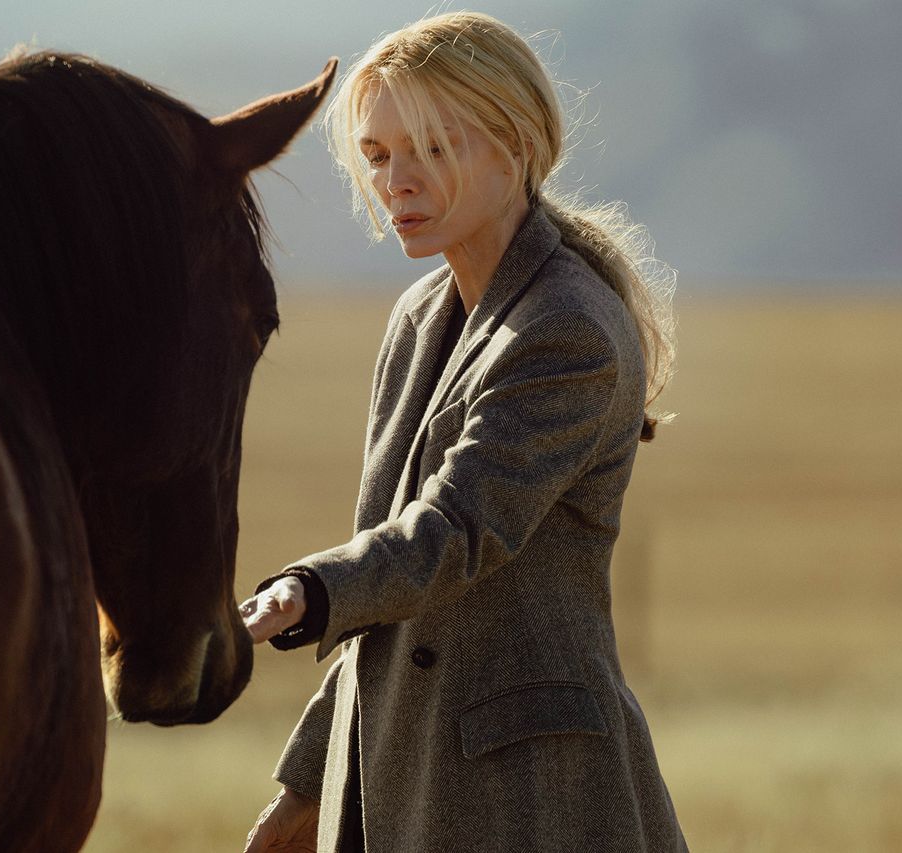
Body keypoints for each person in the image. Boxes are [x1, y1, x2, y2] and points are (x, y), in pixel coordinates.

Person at [241, 11, 686, 852]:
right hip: (396, 781)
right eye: (377, 155)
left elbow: (452, 530)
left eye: (434, 148)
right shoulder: (418, 316)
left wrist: (309, 589)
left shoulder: (568, 329)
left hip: (535, 797)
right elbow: (389, 576)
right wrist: (307, 786)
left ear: (515, 143)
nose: (397, 180)